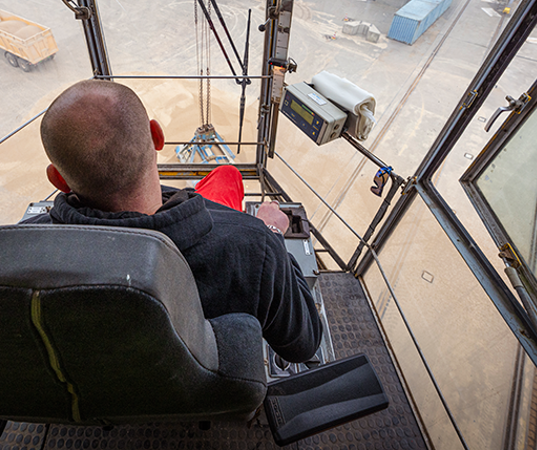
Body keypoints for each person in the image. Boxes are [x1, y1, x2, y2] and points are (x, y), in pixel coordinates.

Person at [25, 79, 322, 363]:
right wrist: (271, 233)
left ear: (58, 179)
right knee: (229, 174)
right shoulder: (253, 246)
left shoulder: (23, 247)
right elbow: (304, 345)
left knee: (225, 176)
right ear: (157, 136)